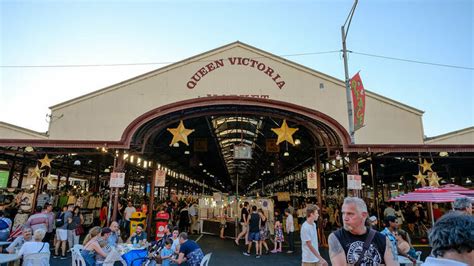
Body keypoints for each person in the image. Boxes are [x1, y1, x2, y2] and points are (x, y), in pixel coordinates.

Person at [328, 197, 398, 266]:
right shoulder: (336, 237)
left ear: (364, 215)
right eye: (343, 213)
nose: (345, 218)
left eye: (350, 214)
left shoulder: (383, 239)